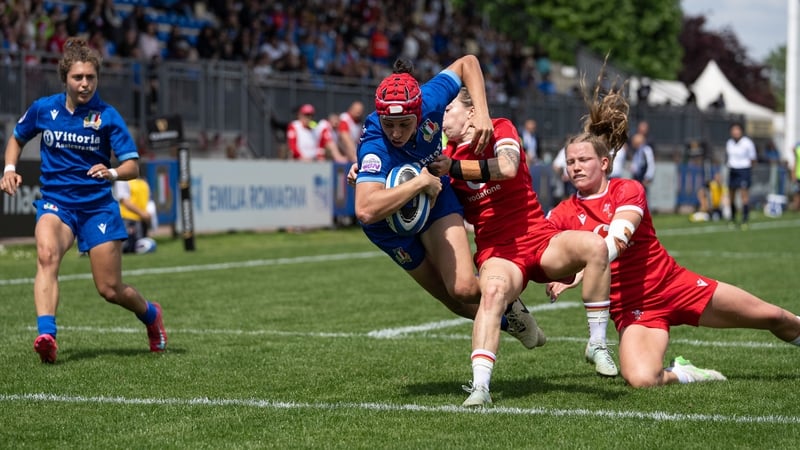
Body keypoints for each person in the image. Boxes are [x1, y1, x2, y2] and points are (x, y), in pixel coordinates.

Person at [545, 80, 800, 388]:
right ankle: (683, 372)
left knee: (773, 317)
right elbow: (538, 248)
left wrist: (581, 269)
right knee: (641, 380)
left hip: (674, 285)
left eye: (583, 160)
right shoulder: (562, 212)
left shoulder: (628, 189)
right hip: (634, 308)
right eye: (570, 161)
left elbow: (615, 240)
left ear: (604, 163)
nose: (575, 167)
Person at [434, 87, 617, 407]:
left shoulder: (500, 127)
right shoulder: (443, 155)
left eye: (448, 110)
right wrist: (364, 175)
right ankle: (480, 388)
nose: (442, 116)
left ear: (472, 112)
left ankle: (597, 344)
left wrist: (451, 168)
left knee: (595, 247)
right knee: (490, 294)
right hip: (497, 249)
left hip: (538, 236)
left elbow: (507, 167)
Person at [351, 55, 542, 355]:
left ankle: (499, 290)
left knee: (464, 288)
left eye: (404, 124)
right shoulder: (375, 140)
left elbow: (469, 62)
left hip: (434, 199)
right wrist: (418, 182)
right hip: (388, 225)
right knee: (452, 301)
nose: (396, 133)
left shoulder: (431, 98)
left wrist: (481, 114)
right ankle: (510, 319)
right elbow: (365, 209)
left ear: (420, 111)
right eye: (389, 124)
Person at [0, 37, 166, 363]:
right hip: (57, 203)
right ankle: (47, 335)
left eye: (90, 77)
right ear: (65, 78)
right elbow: (17, 139)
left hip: (97, 208)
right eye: (78, 77)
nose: (85, 83)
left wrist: (113, 173)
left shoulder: (108, 116)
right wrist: (9, 168)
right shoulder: (44, 109)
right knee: (47, 256)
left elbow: (133, 165)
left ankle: (150, 315)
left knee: (109, 289)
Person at [114, 172, 156, 254]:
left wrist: (148, 214)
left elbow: (148, 200)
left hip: (141, 219)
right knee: (126, 247)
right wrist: (142, 213)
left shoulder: (143, 181)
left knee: (140, 247)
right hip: (128, 218)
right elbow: (124, 201)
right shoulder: (122, 180)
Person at [725, 122, 757, 229]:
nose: (735, 132)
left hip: (743, 170)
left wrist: (748, 170)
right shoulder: (729, 143)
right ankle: (732, 218)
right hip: (733, 170)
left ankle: (745, 219)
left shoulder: (747, 143)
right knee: (731, 196)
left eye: (737, 130)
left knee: (744, 196)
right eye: (733, 130)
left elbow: (753, 159)